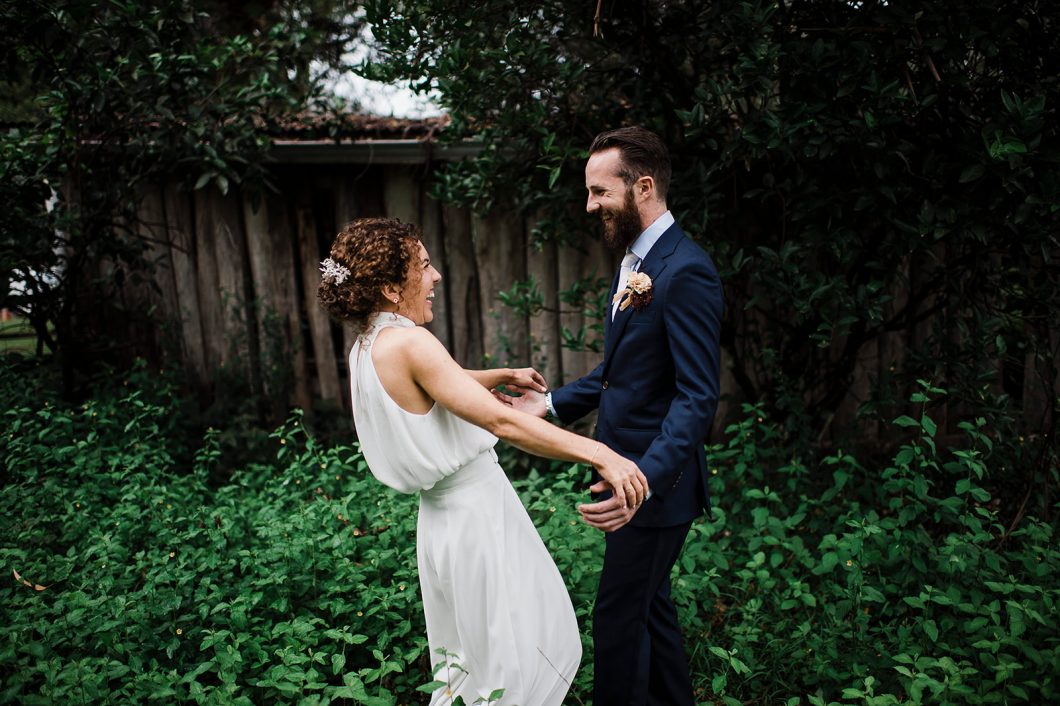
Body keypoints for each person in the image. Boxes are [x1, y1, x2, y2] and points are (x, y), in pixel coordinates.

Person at [317, 217, 650, 706]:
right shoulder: (412, 343)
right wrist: (601, 453)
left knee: (467, 667)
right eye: (424, 267)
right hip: (477, 521)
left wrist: (501, 373)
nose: (435, 277)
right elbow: (504, 424)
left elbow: (439, 381)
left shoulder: (370, 346)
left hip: (442, 527)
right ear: (390, 287)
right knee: (515, 660)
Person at [504, 126, 723, 705]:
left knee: (620, 618)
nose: (590, 204)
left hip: (653, 486)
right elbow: (623, 374)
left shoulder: (684, 270)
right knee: (649, 611)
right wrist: (549, 405)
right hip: (629, 476)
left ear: (643, 186)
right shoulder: (637, 262)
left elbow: (698, 396)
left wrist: (641, 479)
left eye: (601, 192)